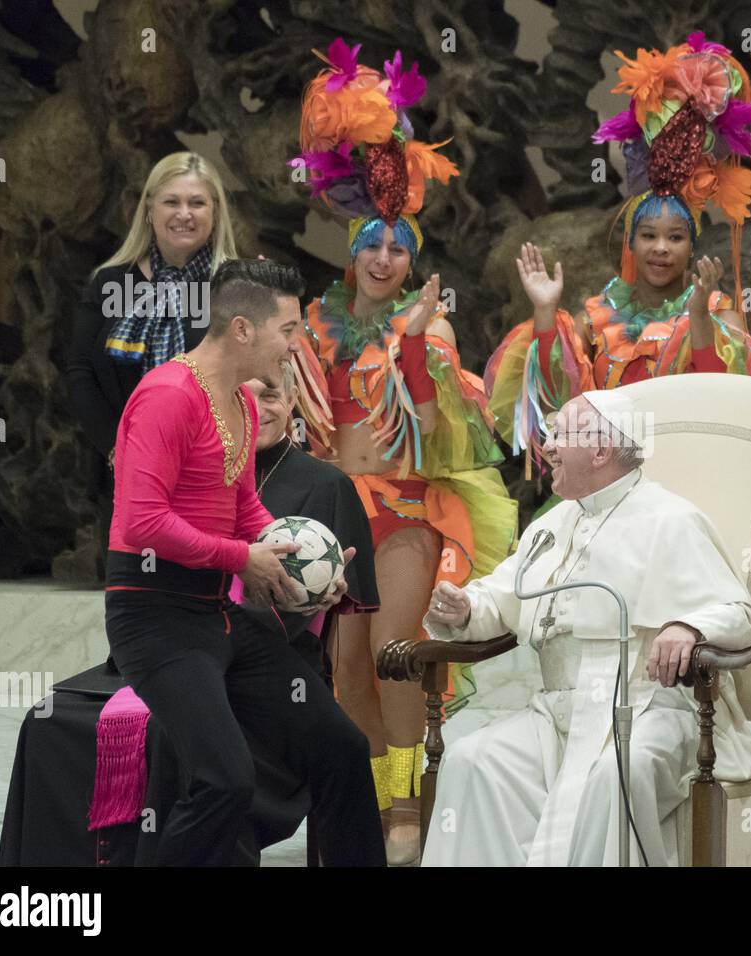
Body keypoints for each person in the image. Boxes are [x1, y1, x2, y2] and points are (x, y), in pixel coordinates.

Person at [288, 40, 518, 864]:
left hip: (405, 512)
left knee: (395, 660)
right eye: (371, 245)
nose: (385, 260)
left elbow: (438, 421)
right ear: (350, 248)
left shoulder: (432, 326)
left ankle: (407, 815)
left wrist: (415, 344)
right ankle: (363, 810)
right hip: (334, 516)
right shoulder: (313, 326)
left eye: (399, 248)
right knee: (344, 669)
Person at [103, 257, 385, 867]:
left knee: (341, 746)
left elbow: (245, 508)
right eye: (288, 330)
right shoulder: (166, 396)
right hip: (153, 619)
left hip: (216, 617)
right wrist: (243, 558)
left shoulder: (243, 403)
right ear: (241, 330)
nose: (296, 345)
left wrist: (302, 561)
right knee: (224, 780)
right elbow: (140, 524)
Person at [421, 391, 751, 866]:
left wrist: (688, 625)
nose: (548, 447)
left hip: (647, 708)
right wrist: (464, 609)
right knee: (473, 760)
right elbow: (503, 597)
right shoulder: (553, 524)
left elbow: (738, 614)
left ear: (601, 452)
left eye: (560, 434)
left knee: (615, 773)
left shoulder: (671, 519)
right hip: (555, 715)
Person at [484, 31, 751, 477]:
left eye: (675, 238)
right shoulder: (596, 321)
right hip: (603, 491)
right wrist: (544, 313)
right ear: (630, 243)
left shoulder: (721, 319)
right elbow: (550, 403)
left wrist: (697, 319)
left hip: (684, 490)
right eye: (649, 236)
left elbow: (728, 413)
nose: (660, 248)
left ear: (692, 247)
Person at [67, 151, 238, 461]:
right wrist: (118, 450)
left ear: (215, 213)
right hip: (124, 467)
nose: (184, 214)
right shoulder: (111, 283)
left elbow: (250, 381)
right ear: (149, 210)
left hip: (212, 469)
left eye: (197, 203)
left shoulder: (235, 287)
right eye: (171, 202)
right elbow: (81, 372)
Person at [240, 365, 380, 678]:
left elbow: (327, 619)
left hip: (285, 667)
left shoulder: (329, 485)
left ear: (291, 399)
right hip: (198, 648)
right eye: (243, 396)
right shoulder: (201, 475)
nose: (256, 408)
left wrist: (325, 589)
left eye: (270, 395)